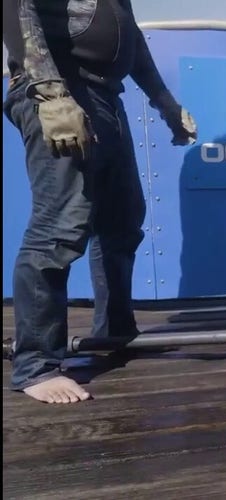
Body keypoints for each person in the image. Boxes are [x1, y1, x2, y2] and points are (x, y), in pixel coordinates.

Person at [3, 0, 197, 404]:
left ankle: (115, 332)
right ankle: (36, 365)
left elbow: (133, 43)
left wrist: (166, 104)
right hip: (58, 91)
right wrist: (49, 92)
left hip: (106, 97)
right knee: (59, 225)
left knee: (123, 220)